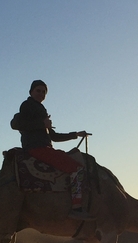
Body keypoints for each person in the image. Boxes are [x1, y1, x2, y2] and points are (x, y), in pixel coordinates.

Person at [10, 80, 91, 218]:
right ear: (31, 92)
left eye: (43, 92)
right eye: (38, 90)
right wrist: (42, 123)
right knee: (77, 169)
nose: (41, 94)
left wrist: (75, 135)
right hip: (36, 148)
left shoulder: (41, 110)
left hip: (45, 147)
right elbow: (17, 124)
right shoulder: (27, 105)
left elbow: (53, 136)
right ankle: (76, 207)